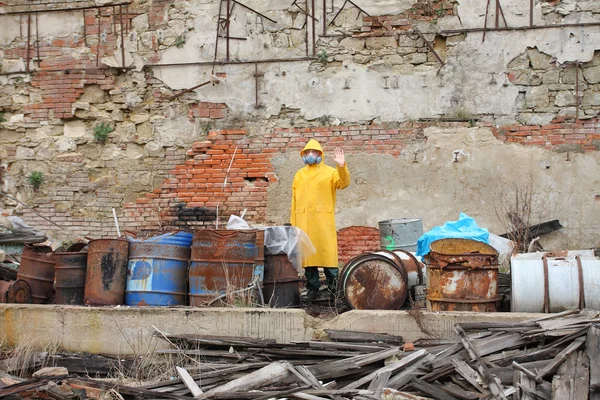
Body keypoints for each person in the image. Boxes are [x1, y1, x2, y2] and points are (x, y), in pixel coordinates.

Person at [290, 139, 350, 300]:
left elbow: (343, 183)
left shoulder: (330, 172)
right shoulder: (299, 175)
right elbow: (294, 201)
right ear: (303, 155)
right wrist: (293, 225)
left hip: (323, 222)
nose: (310, 155)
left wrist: (342, 166)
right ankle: (313, 289)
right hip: (303, 222)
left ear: (320, 154)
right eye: (307, 152)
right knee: (308, 259)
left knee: (327, 256)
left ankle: (334, 289)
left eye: (313, 152)